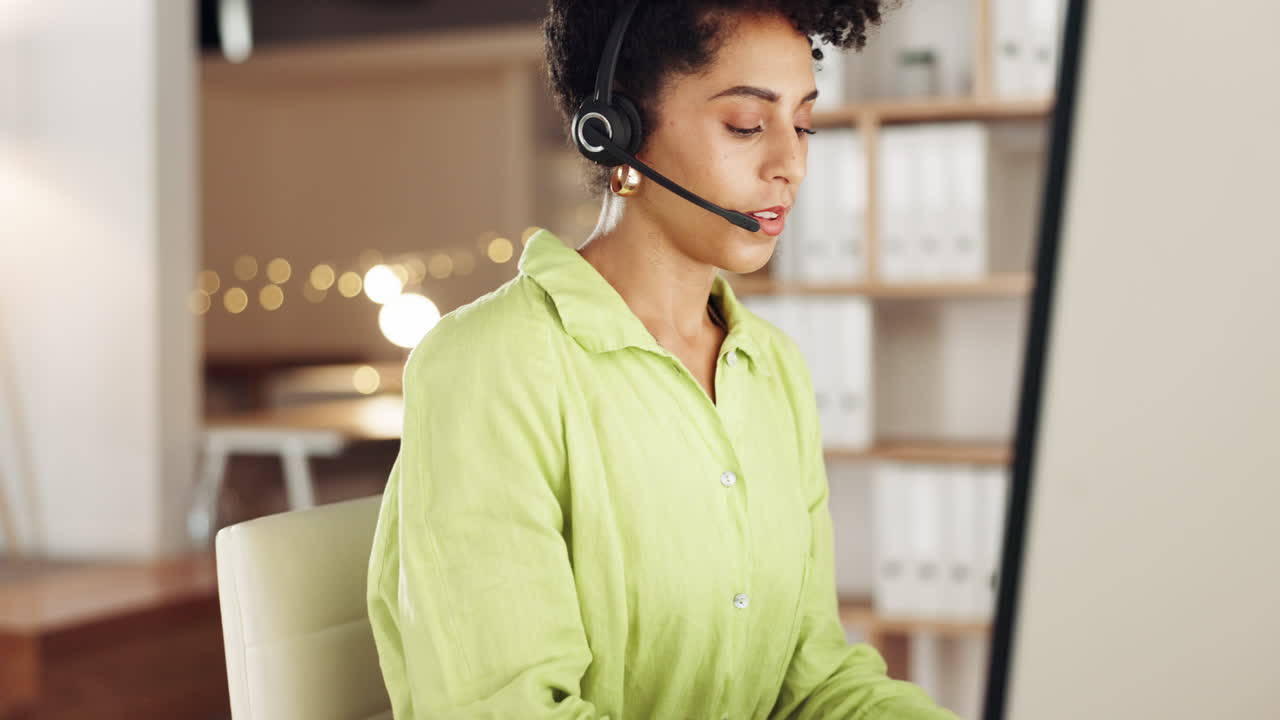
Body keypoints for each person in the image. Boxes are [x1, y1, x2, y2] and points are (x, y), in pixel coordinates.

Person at [367, 1, 960, 718]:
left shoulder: (771, 370)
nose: (792, 163)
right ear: (617, 129)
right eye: (746, 125)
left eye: (803, 123)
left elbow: (815, 681)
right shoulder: (489, 367)